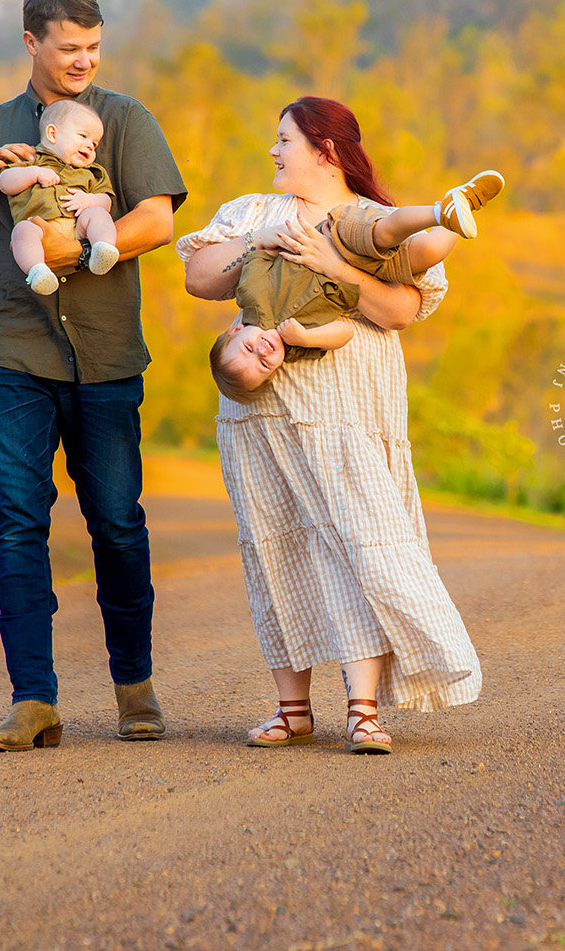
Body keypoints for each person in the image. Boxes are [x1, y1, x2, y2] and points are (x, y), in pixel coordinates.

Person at [0, 0, 186, 752]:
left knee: (117, 523)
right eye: (69, 48)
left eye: (94, 48)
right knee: (16, 523)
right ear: (31, 42)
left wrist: (76, 246)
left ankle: (134, 686)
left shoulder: (125, 119)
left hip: (104, 355)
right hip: (11, 354)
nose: (83, 62)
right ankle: (33, 700)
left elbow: (158, 220)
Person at [178, 96, 482, 754]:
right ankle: (292, 711)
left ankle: (363, 711)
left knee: (362, 546)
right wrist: (256, 240)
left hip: (351, 414)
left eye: (282, 138)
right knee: (276, 548)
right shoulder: (252, 211)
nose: (272, 150)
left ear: (323, 147)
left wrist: (332, 268)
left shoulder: (369, 220)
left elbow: (400, 311)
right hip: (261, 417)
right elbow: (199, 277)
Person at [210, 169, 505, 401]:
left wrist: (289, 240)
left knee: (385, 233)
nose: (262, 351)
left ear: (236, 330)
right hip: (365, 274)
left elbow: (262, 253)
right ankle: (461, 204)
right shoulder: (295, 346)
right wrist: (306, 338)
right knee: (429, 252)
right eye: (263, 364)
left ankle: (439, 212)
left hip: (337, 236)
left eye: (249, 348)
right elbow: (344, 332)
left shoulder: (251, 293)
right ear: (273, 371)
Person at [0, 98, 122, 295]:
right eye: (83, 136)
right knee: (22, 231)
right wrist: (35, 174)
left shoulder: (91, 173)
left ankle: (102, 248)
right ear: (52, 134)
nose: (90, 146)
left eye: (95, 144)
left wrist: (89, 200)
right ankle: (38, 271)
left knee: (98, 214)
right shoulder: (31, 162)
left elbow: (106, 200)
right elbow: (5, 182)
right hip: (39, 231)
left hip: (77, 231)